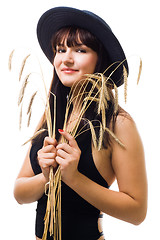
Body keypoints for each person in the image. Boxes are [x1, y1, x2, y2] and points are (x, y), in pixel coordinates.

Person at [14, 6, 148, 240]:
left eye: (80, 50)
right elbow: (19, 193)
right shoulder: (52, 114)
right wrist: (45, 176)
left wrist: (74, 178)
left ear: (100, 59)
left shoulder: (118, 123)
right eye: (60, 49)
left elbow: (137, 212)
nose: (66, 58)